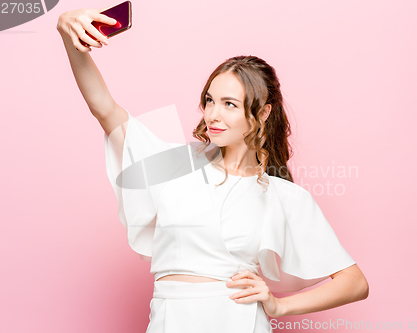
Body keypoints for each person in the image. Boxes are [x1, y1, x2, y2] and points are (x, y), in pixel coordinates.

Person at [57, 7, 369, 333]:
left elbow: (355, 283)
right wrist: (68, 36)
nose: (213, 114)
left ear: (263, 113)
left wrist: (280, 305)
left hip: (239, 321)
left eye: (229, 104)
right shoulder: (173, 165)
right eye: (209, 100)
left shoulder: (282, 196)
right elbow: (105, 108)